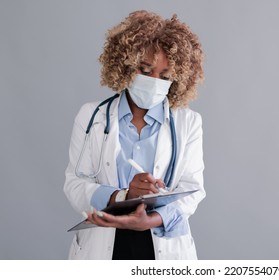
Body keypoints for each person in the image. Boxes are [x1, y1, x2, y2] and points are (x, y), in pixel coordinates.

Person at [63, 10, 205, 260]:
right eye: (145, 69)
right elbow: (75, 185)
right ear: (126, 65)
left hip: (162, 245)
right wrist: (123, 197)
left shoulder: (188, 122)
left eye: (165, 76)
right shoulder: (92, 116)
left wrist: (153, 219)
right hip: (103, 244)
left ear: (178, 78)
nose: (154, 81)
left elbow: (192, 190)